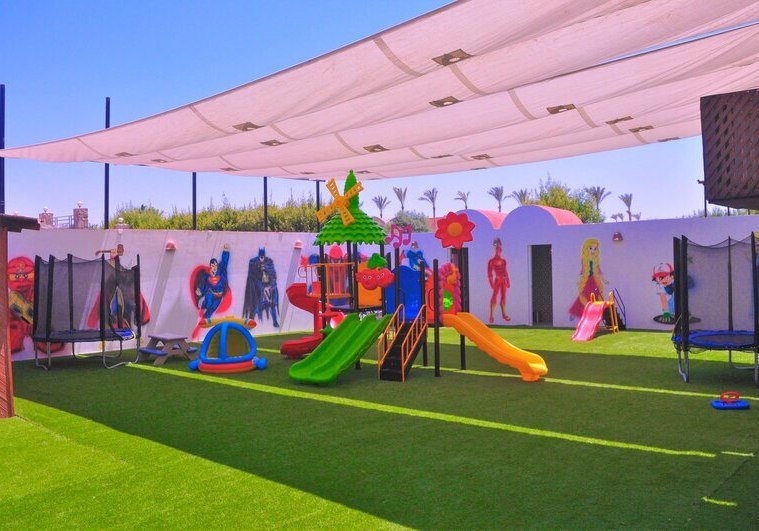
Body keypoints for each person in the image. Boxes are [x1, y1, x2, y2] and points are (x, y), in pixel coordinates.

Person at [569, 238, 606, 319]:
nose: (593, 250)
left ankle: (596, 313)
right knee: (584, 295)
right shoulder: (585, 260)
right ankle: (575, 312)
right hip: (587, 281)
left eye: (595, 249)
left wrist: (604, 279)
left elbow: (599, 270)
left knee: (597, 295)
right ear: (586, 249)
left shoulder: (596, 260)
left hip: (594, 280)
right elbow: (582, 270)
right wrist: (580, 280)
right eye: (591, 248)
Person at [196, 244, 230, 323]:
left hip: (219, 296)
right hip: (210, 294)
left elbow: (224, 261)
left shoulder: (221, 272)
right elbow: (204, 285)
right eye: (212, 265)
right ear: (210, 266)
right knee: (208, 304)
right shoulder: (207, 276)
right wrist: (200, 291)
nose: (214, 267)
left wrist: (226, 251)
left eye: (215, 265)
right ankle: (204, 305)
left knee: (212, 308)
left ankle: (204, 320)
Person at [487, 238, 511, 323]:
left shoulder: (503, 261)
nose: (498, 249)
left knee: (503, 296)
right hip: (497, 280)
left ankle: (504, 314)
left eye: (499, 246)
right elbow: (489, 273)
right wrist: (491, 283)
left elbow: (505, 271)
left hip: (503, 280)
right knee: (494, 296)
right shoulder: (491, 261)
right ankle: (491, 315)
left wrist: (508, 281)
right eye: (496, 245)